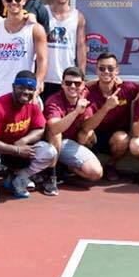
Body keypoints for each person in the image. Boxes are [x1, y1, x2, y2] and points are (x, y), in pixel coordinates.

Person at [0, 71, 57, 199]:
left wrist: (24, 140)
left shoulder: (33, 106)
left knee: (49, 152)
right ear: (14, 87)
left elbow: (40, 129)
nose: (26, 92)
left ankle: (19, 178)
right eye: (21, 88)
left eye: (30, 89)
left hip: (18, 151)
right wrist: (16, 150)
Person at [0, 0, 48, 106]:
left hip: (21, 93)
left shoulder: (35, 29)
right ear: (3, 2)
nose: (13, 2)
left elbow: (43, 60)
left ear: (24, 1)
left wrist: (37, 85)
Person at [43, 66, 104, 194]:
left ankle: (66, 168)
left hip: (70, 143)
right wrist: (76, 111)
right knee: (56, 134)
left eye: (76, 83)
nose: (72, 86)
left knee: (96, 173)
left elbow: (87, 127)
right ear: (62, 84)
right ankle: (50, 176)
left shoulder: (86, 95)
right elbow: (54, 128)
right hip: (47, 144)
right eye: (68, 83)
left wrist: (107, 108)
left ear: (82, 85)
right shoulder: (54, 100)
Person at [81, 52, 139, 181]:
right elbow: (86, 127)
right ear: (96, 70)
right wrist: (106, 107)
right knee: (83, 135)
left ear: (117, 70)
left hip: (116, 137)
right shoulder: (88, 91)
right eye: (102, 68)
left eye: (110, 68)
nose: (106, 72)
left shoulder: (127, 88)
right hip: (94, 135)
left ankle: (110, 165)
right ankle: (88, 165)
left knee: (123, 139)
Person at [43, 0, 86, 100]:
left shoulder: (78, 16)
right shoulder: (43, 12)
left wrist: (80, 77)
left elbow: (81, 48)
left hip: (68, 80)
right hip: (44, 78)